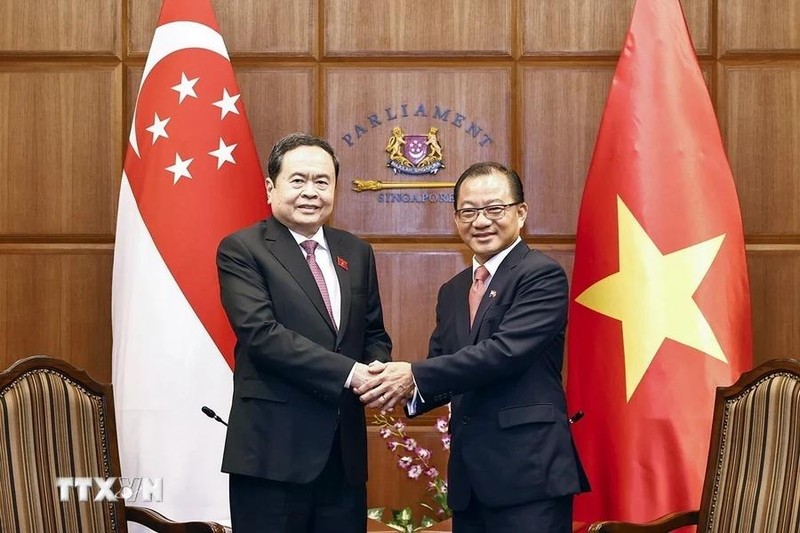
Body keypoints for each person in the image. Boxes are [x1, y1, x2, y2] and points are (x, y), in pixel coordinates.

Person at [356, 162, 589, 533]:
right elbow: (444, 365)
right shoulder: (453, 290)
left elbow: (503, 353)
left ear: (521, 213)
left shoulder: (541, 275)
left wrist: (412, 374)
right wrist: (392, 387)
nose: (481, 221)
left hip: (529, 475)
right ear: (456, 218)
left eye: (495, 209)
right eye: (469, 211)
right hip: (471, 481)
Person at [217, 133, 392, 533]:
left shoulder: (356, 252)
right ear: (270, 187)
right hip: (273, 453)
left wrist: (378, 368)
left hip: (343, 456)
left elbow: (372, 332)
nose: (311, 192)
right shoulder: (242, 249)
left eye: (322, 181)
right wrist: (352, 373)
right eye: (298, 180)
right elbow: (262, 335)